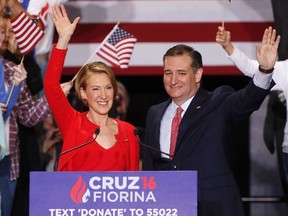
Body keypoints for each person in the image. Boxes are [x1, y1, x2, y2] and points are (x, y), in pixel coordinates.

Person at [141, 26, 280, 215]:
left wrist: (264, 70)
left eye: (181, 73)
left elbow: (248, 99)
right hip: (170, 205)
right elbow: (150, 166)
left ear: (197, 74)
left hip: (212, 206)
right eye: (168, 73)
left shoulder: (218, 102)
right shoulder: (154, 113)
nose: (173, 80)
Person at [44, 4, 139, 171]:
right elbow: (51, 86)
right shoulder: (73, 123)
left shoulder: (130, 132)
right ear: (83, 94)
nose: (103, 95)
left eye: (108, 88)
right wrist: (64, 39)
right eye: (95, 89)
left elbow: (133, 184)